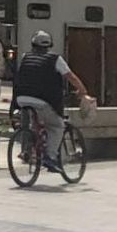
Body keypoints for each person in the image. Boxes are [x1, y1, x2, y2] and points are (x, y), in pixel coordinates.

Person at [13, 30, 93, 170]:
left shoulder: (25, 56)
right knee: (57, 126)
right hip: (42, 100)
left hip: (21, 98)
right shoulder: (55, 59)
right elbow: (71, 77)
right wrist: (82, 90)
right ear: (49, 45)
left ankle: (28, 149)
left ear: (33, 44)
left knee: (35, 123)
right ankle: (49, 157)